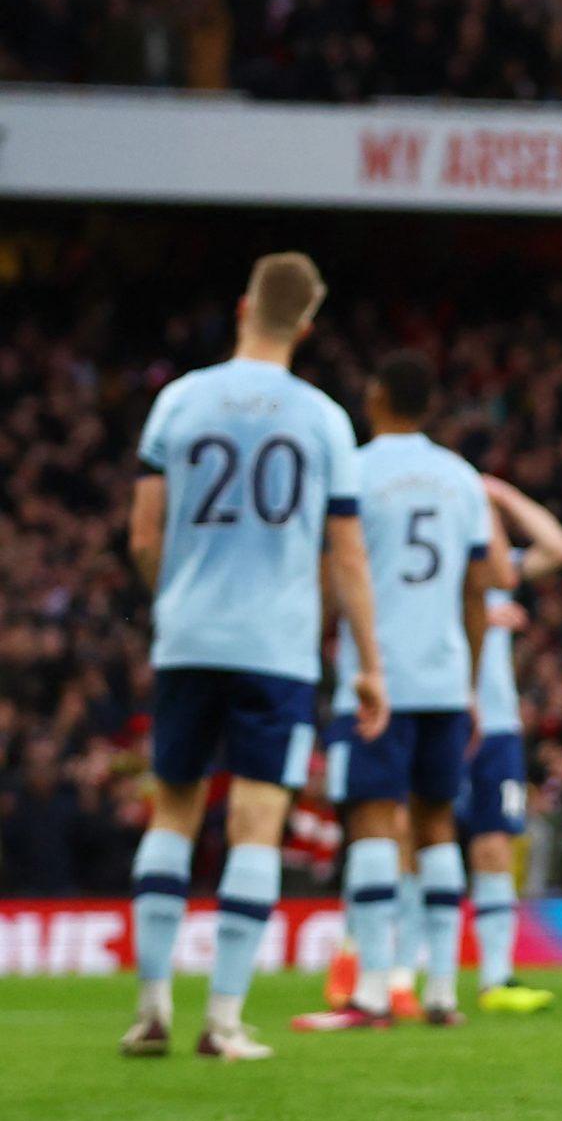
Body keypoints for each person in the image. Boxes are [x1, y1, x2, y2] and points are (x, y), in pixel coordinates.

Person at [123, 253, 386, 1061]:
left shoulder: (179, 400)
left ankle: (151, 1008)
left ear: (244, 307)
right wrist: (370, 664)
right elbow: (346, 554)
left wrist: (176, 598)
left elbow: (142, 533)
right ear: (307, 324)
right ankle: (224, 1020)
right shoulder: (323, 418)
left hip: (189, 634)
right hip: (275, 645)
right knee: (256, 823)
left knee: (174, 807)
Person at [295, 351, 499, 1032]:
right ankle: (441, 992)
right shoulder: (460, 477)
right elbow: (478, 589)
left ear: (377, 394)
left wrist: (319, 637)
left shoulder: (354, 466)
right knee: (439, 825)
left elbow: (336, 570)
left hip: (375, 679)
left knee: (374, 823)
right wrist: (470, 682)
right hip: (444, 677)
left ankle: (374, 992)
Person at [463, 475, 562, 1013]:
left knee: (494, 844)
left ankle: (496, 979)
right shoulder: (438, 563)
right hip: (442, 711)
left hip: (498, 723)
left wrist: (505, 494)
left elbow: (559, 546)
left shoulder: (499, 571)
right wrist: (480, 617)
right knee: (416, 838)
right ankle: (395, 976)